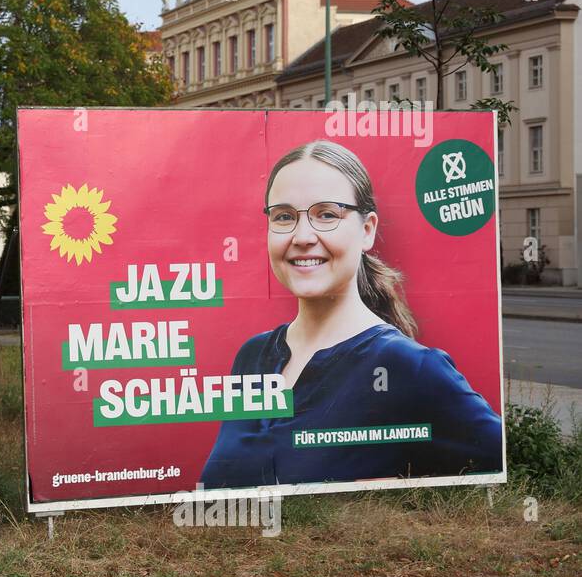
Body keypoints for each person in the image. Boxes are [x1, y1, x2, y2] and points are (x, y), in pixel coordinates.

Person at [198, 140, 502, 489]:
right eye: (283, 216)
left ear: (367, 230)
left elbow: (498, 467)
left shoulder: (410, 367)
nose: (302, 236)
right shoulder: (252, 356)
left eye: (327, 214)